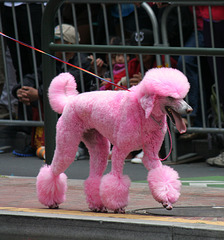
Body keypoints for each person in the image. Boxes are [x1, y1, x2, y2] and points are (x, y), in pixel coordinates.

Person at [11, 24, 105, 158]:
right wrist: (20, 89)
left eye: (57, 40)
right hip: (56, 104)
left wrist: (39, 93)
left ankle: (77, 146)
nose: (53, 43)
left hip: (76, 106)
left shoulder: (83, 61)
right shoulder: (52, 59)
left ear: (69, 43)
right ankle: (30, 141)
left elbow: (66, 83)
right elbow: (35, 76)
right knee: (26, 95)